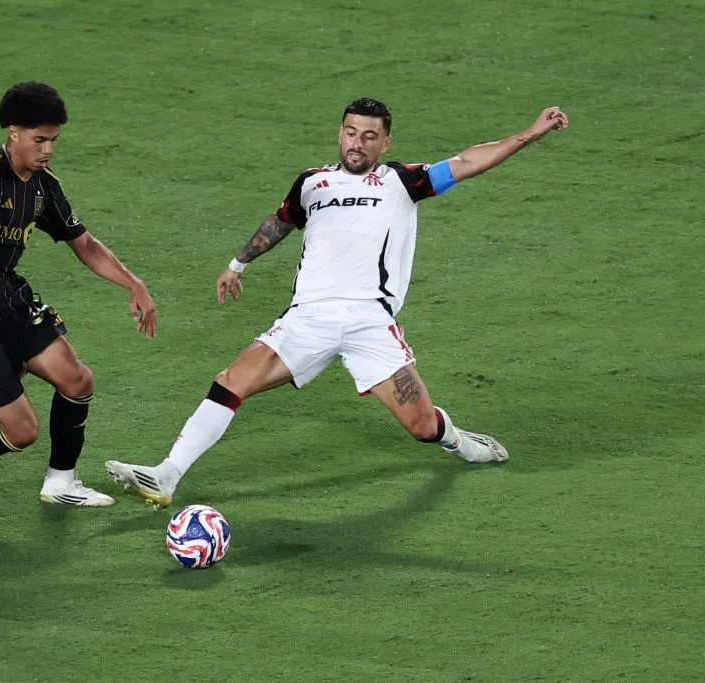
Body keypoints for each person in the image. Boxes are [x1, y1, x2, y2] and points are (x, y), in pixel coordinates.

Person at [106, 98, 568, 508]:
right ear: (340, 133)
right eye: (351, 132)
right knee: (231, 381)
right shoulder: (312, 183)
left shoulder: (403, 182)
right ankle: (166, 475)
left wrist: (529, 133)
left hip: (370, 321)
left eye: (369, 136)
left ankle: (461, 443)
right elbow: (282, 221)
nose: (357, 143)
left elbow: (469, 161)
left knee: (423, 426)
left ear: (385, 143)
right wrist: (238, 263)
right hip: (308, 317)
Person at [0, 81, 157, 505]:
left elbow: (85, 243)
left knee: (77, 380)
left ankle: (61, 483)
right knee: (22, 432)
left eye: (53, 140)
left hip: (9, 300)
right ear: (13, 132)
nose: (48, 150)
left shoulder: (43, 187)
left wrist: (134, 283)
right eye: (39, 140)